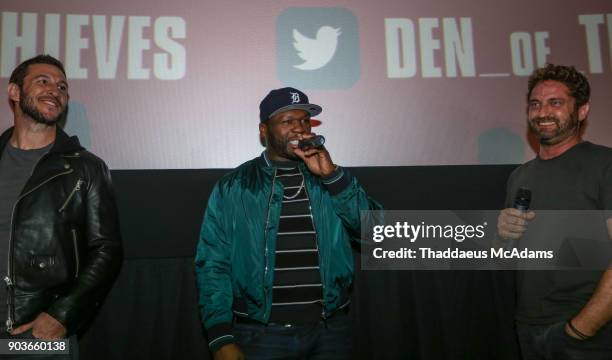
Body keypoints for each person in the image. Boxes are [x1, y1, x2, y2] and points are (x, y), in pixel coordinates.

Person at [195, 87, 381, 359]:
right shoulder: (234, 186)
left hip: (330, 332)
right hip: (261, 335)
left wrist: (333, 178)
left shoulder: (332, 180)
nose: (299, 128)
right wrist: (220, 336)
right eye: (287, 121)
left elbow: (378, 235)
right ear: (263, 130)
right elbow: (212, 263)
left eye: (304, 120)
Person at [0, 55, 122, 358]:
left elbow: (107, 250)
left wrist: (61, 315)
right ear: (14, 92)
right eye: (43, 81)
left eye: (62, 87)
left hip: (35, 336)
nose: (56, 90)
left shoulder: (87, 168)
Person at [497, 64, 612, 359]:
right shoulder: (520, 176)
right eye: (535, 104)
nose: (542, 112)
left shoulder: (604, 165)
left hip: (588, 334)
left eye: (555, 103)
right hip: (529, 328)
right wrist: (502, 234)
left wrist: (581, 329)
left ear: (582, 111)